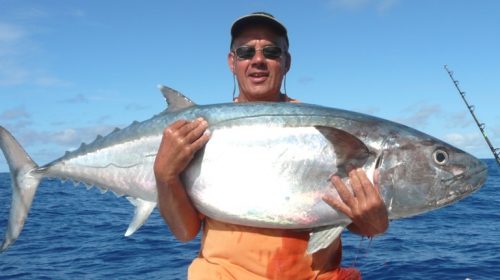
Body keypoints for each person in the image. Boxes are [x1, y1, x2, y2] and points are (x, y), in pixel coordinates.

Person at [154, 12, 389, 280]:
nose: (258, 60)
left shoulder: (322, 129)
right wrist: (165, 175)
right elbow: (184, 232)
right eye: (245, 52)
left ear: (286, 61)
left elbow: (346, 215)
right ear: (232, 62)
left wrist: (376, 225)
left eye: (271, 51)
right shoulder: (195, 133)